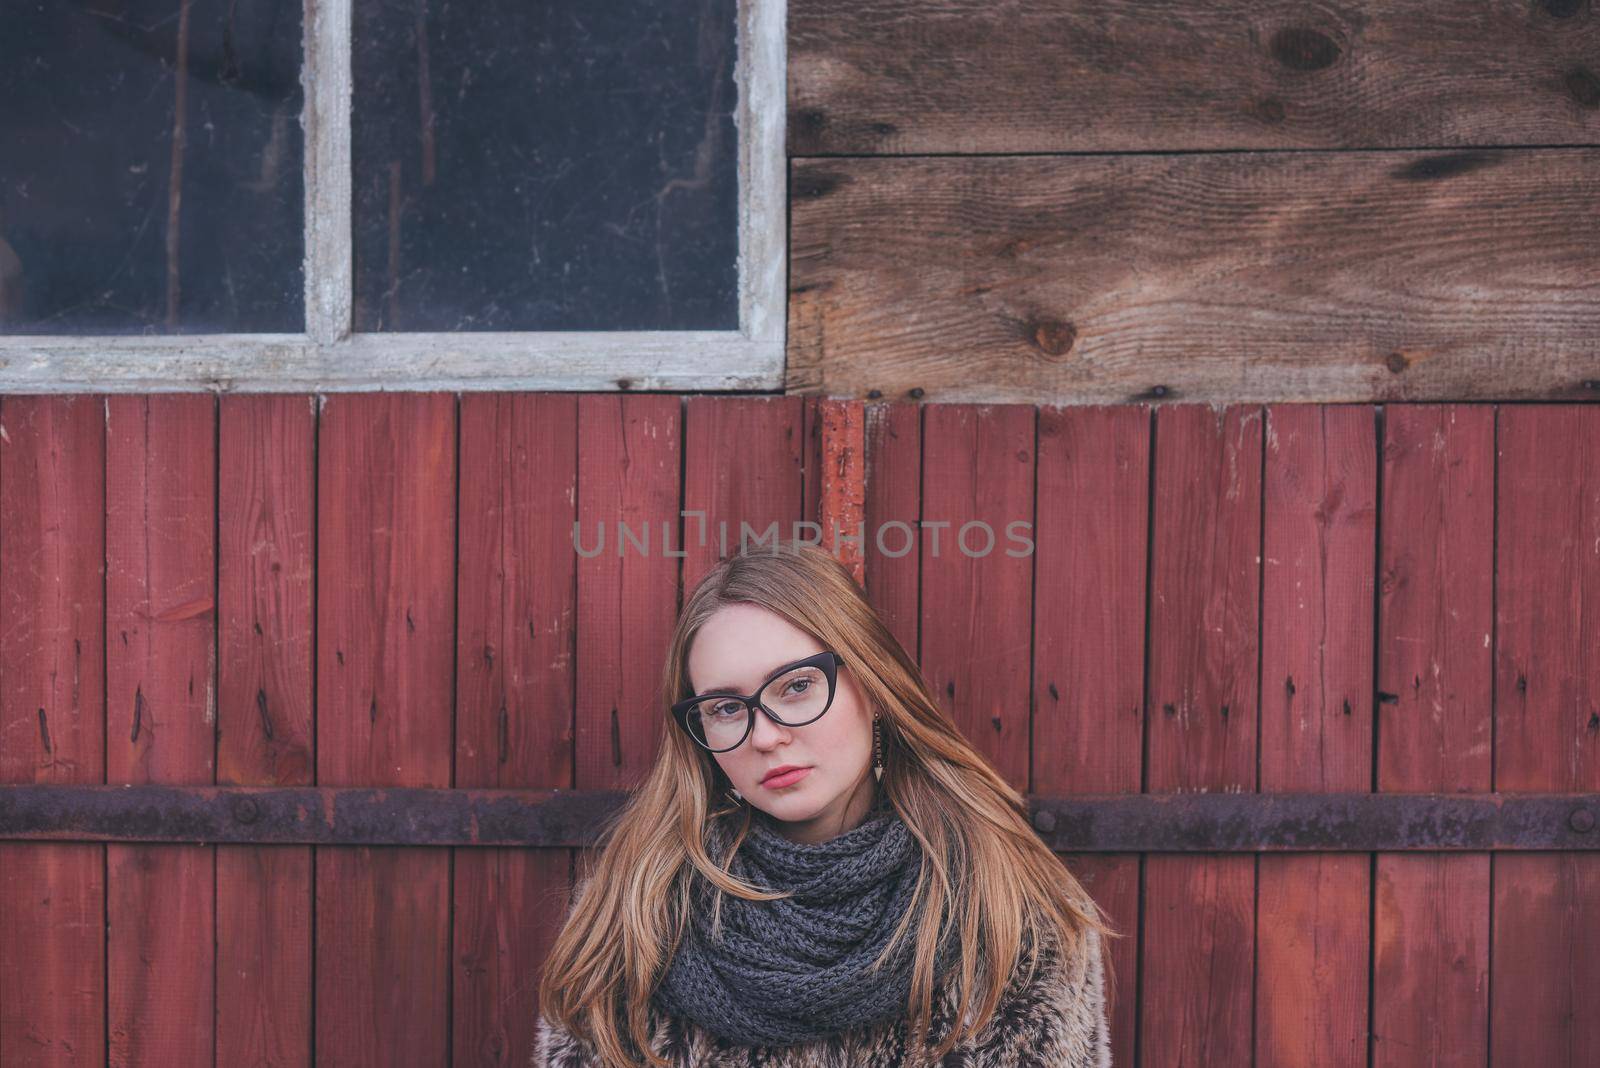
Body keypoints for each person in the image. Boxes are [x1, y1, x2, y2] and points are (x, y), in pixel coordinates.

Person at [533, 539, 1116, 1067]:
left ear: (875, 686)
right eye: (726, 707)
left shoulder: (1010, 913)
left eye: (796, 685)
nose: (765, 735)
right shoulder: (634, 913)